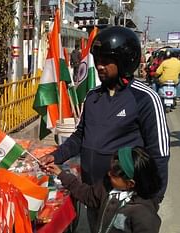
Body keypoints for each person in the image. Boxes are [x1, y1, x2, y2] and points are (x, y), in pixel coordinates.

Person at [39, 26, 169, 232]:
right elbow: (79, 137)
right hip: (95, 195)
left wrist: (152, 202)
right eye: (97, 59)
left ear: (125, 61)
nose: (99, 66)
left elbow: (159, 154)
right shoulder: (92, 97)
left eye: (106, 60)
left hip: (128, 203)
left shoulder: (145, 98)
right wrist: (57, 156)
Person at [44, 146, 162, 233]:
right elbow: (87, 194)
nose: (109, 174)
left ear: (130, 183)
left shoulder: (143, 214)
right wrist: (61, 174)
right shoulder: (108, 188)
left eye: (114, 175)